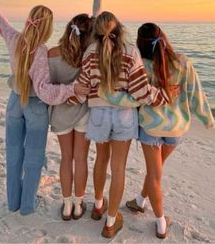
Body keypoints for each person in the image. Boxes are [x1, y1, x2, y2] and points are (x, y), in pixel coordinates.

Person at [0, 0, 87, 216]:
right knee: (34, 156)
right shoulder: (41, 52)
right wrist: (72, 88)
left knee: (14, 152)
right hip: (35, 106)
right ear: (47, 28)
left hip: (14, 102)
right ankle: (27, 206)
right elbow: (45, 91)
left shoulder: (13, 38)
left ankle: (12, 202)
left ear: (28, 20)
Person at [69, 12, 170, 239]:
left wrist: (67, 98)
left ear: (97, 31)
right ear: (119, 29)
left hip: (98, 114)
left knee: (100, 160)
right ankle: (111, 222)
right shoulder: (130, 51)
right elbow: (141, 92)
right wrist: (164, 96)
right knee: (118, 169)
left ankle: (97, 206)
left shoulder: (90, 52)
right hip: (123, 115)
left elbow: (82, 86)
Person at [126, 23, 215, 239]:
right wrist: (207, 119)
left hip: (151, 127)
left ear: (140, 43)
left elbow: (134, 96)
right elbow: (196, 93)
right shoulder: (183, 61)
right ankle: (139, 201)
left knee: (155, 174)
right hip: (176, 128)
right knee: (156, 172)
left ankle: (160, 223)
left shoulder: (141, 66)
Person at [48, 0, 108, 220]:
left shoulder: (51, 53)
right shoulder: (90, 52)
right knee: (81, 158)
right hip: (83, 112)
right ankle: (80, 203)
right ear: (89, 33)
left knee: (66, 159)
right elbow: (97, 15)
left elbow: (46, 87)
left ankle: (67, 204)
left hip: (61, 113)